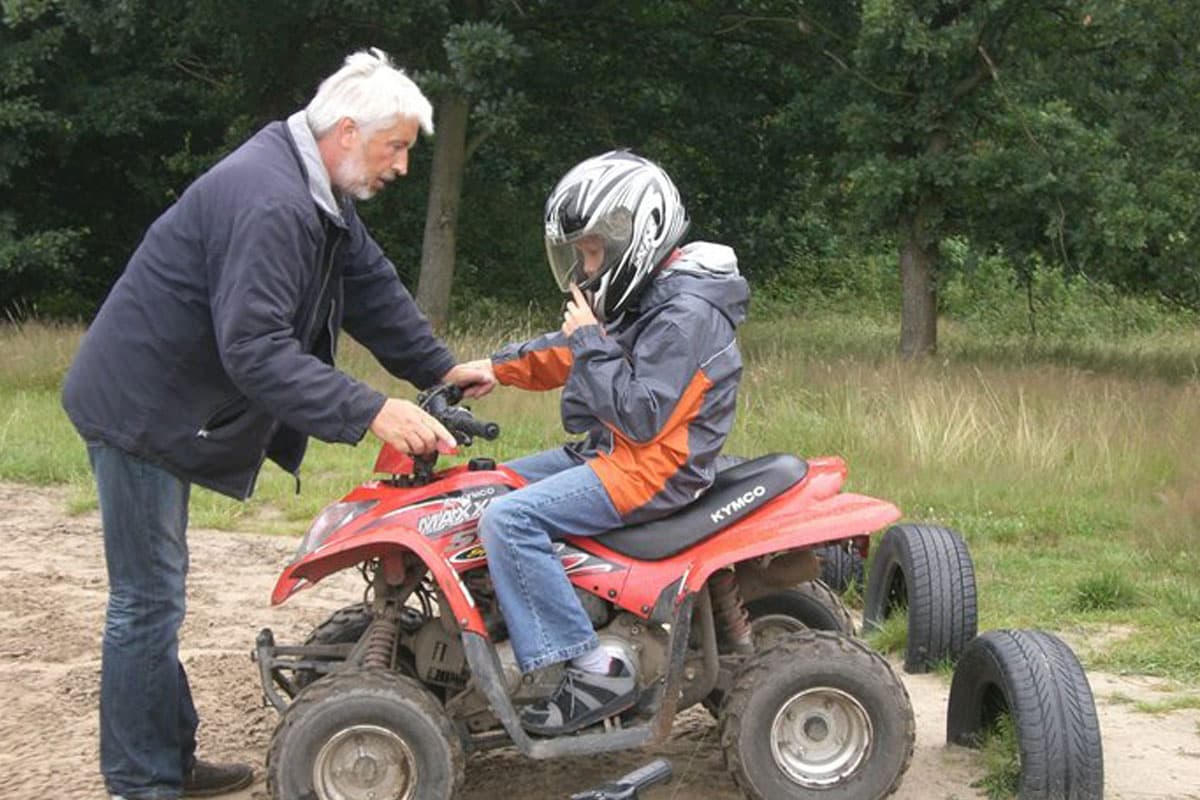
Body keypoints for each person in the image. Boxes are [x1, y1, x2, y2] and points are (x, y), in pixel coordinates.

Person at [61, 48, 493, 799]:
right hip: (139, 410)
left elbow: (369, 286)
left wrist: (438, 370)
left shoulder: (317, 192)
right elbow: (255, 348)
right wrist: (371, 410)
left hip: (172, 404)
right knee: (147, 598)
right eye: (395, 148)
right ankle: (143, 780)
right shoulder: (270, 200)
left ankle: (165, 756)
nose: (399, 166)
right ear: (349, 131)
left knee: (160, 591)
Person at [465, 150, 749, 736]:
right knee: (481, 491)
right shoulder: (652, 293)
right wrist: (493, 368)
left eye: (592, 251)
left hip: (656, 468)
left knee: (509, 521)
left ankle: (593, 669)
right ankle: (510, 621)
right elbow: (573, 349)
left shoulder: (687, 314)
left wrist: (590, 338)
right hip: (616, 452)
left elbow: (642, 414)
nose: (584, 269)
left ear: (633, 239)